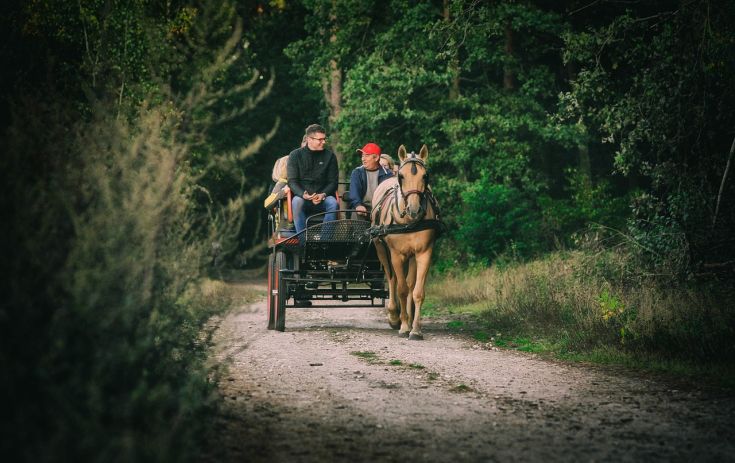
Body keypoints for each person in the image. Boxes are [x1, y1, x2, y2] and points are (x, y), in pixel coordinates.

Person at [287, 124, 339, 233]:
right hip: (303, 197)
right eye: (320, 139)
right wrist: (303, 194)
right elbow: (292, 181)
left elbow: (333, 182)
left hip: (324, 197)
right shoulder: (295, 155)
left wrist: (322, 194)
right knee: (296, 202)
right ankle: (304, 242)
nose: (323, 142)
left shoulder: (330, 156)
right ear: (309, 139)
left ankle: (325, 242)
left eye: (324, 139)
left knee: (333, 203)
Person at [348, 142, 394, 217]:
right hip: (363, 207)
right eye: (362, 156)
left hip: (382, 208)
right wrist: (358, 205)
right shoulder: (357, 172)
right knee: (356, 213)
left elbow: (390, 196)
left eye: (367, 155)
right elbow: (354, 193)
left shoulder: (388, 174)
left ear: (376, 158)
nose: (363, 159)